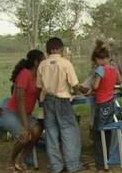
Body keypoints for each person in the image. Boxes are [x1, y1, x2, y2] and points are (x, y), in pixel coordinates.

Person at [36, 37, 84, 173]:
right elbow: (74, 84)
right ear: (58, 49)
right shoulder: (65, 63)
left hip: (48, 101)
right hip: (62, 101)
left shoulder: (42, 65)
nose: (63, 51)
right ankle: (72, 165)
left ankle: (56, 166)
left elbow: (39, 86)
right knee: (69, 132)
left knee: (51, 133)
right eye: (62, 49)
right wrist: (76, 91)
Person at [0, 49, 45, 171]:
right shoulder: (25, 74)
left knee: (37, 130)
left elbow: (39, 97)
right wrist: (25, 125)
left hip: (26, 114)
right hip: (12, 112)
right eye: (43, 60)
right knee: (24, 135)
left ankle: (22, 158)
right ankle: (12, 161)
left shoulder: (38, 77)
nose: (45, 63)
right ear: (36, 63)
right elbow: (20, 101)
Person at [90, 40, 121, 170]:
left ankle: (100, 164)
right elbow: (120, 80)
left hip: (101, 103)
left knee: (98, 133)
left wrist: (93, 85)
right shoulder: (114, 68)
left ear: (98, 59)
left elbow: (96, 86)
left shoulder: (101, 69)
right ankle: (107, 157)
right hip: (111, 102)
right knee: (107, 132)